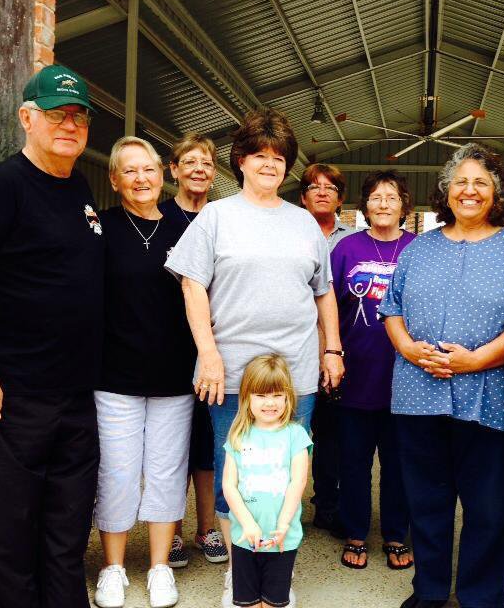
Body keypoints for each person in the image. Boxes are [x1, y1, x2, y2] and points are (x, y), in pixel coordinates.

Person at [164, 107, 345, 608]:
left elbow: (323, 293)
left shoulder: (304, 222)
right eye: (259, 155)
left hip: (297, 372)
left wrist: (332, 348)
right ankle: (241, 573)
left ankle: (277, 569)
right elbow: (192, 286)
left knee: (286, 473)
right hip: (233, 371)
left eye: (279, 158)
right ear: (240, 160)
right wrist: (208, 354)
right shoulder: (216, 217)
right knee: (235, 470)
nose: (270, 165)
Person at [0, 64, 102, 608]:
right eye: (57, 113)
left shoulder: (78, 189)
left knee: (63, 543)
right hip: (6, 403)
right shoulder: (0, 187)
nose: (70, 124)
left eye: (78, 116)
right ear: (27, 118)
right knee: (4, 548)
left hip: (72, 402)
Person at [378, 143, 504, 608]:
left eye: (481, 183)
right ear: (446, 191)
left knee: (487, 506)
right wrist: (408, 347)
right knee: (426, 501)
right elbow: (392, 308)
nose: (469, 191)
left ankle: (481, 597)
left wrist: (480, 358)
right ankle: (428, 591)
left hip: (489, 393)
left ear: (496, 194)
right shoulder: (418, 247)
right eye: (461, 182)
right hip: (417, 390)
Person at [91, 137, 197, 608]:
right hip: (114, 373)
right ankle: (112, 568)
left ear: (163, 175)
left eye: (148, 170)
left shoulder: (186, 226)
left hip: (175, 374)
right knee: (116, 471)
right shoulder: (101, 228)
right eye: (129, 171)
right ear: (114, 179)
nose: (141, 179)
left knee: (166, 472)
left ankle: (158, 568)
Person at [330, 170, 415, 570]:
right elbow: (325, 306)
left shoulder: (419, 249)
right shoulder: (346, 249)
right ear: (364, 206)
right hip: (356, 372)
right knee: (354, 461)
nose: (383, 204)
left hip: (407, 378)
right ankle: (356, 532)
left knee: (399, 462)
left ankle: (397, 534)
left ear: (404, 206)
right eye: (376, 197)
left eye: (392, 197)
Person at [161, 132, 229, 569]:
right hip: (169, 344)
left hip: (218, 346)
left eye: (206, 162)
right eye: (190, 162)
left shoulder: (226, 219)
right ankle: (172, 533)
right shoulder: (161, 219)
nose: (199, 169)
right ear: (175, 169)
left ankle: (207, 528)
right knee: (173, 445)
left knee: (207, 443)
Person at [222, 354, 313, 608]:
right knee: (247, 602)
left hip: (282, 540)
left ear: (288, 397)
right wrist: (247, 524)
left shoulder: (296, 435)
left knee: (274, 603)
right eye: (261, 395)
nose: (269, 403)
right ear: (247, 397)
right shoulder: (239, 435)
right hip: (245, 538)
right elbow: (229, 485)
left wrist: (283, 523)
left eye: (276, 395)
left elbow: (298, 482)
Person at [299, 163, 356, 538]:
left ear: (340, 197)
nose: (322, 192)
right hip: (297, 347)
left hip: (338, 349)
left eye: (330, 187)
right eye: (314, 186)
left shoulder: (353, 240)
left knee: (334, 433)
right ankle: (279, 504)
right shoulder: (288, 229)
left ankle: (329, 504)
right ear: (302, 195)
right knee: (294, 429)